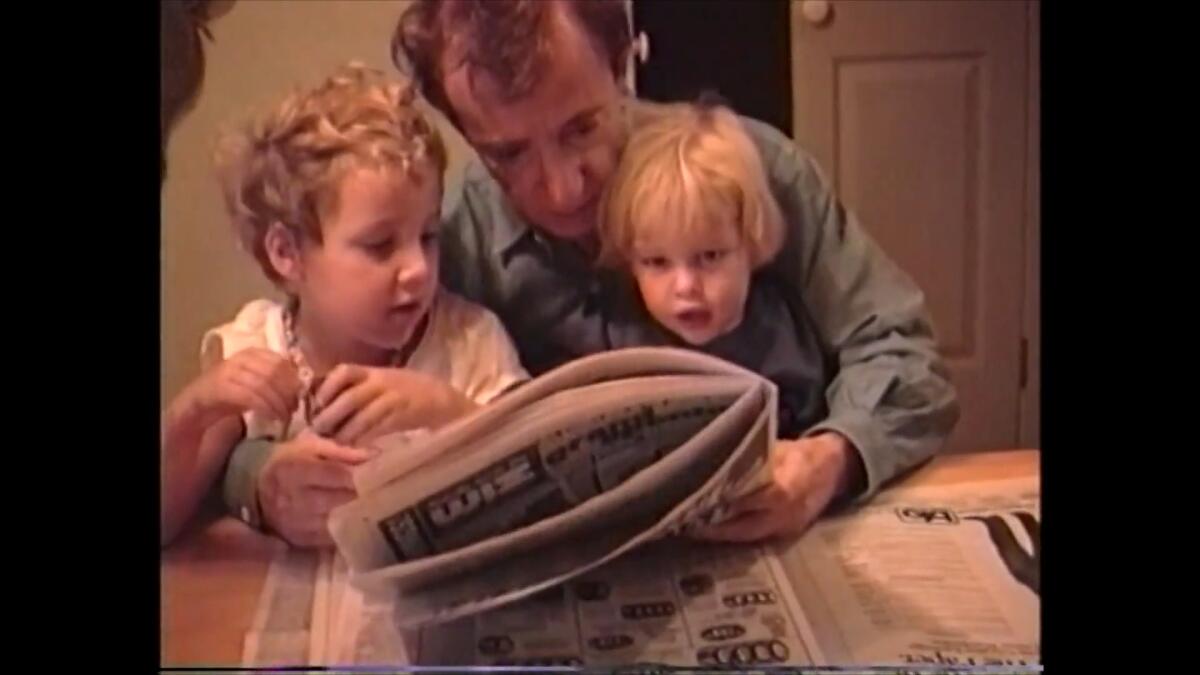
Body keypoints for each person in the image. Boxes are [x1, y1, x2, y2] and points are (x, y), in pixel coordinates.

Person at [222, 0, 958, 546]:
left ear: (623, 61)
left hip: (791, 539)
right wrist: (261, 480)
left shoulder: (746, 167)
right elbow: (306, 376)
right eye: (509, 154)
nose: (565, 186)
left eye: (582, 127)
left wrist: (829, 461)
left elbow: (902, 351)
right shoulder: (454, 240)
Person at [161, 63, 528, 547]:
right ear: (286, 253)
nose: (418, 268)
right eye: (380, 245)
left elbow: (536, 489)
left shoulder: (470, 342)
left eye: (429, 235)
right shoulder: (253, 346)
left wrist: (450, 411)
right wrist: (194, 411)